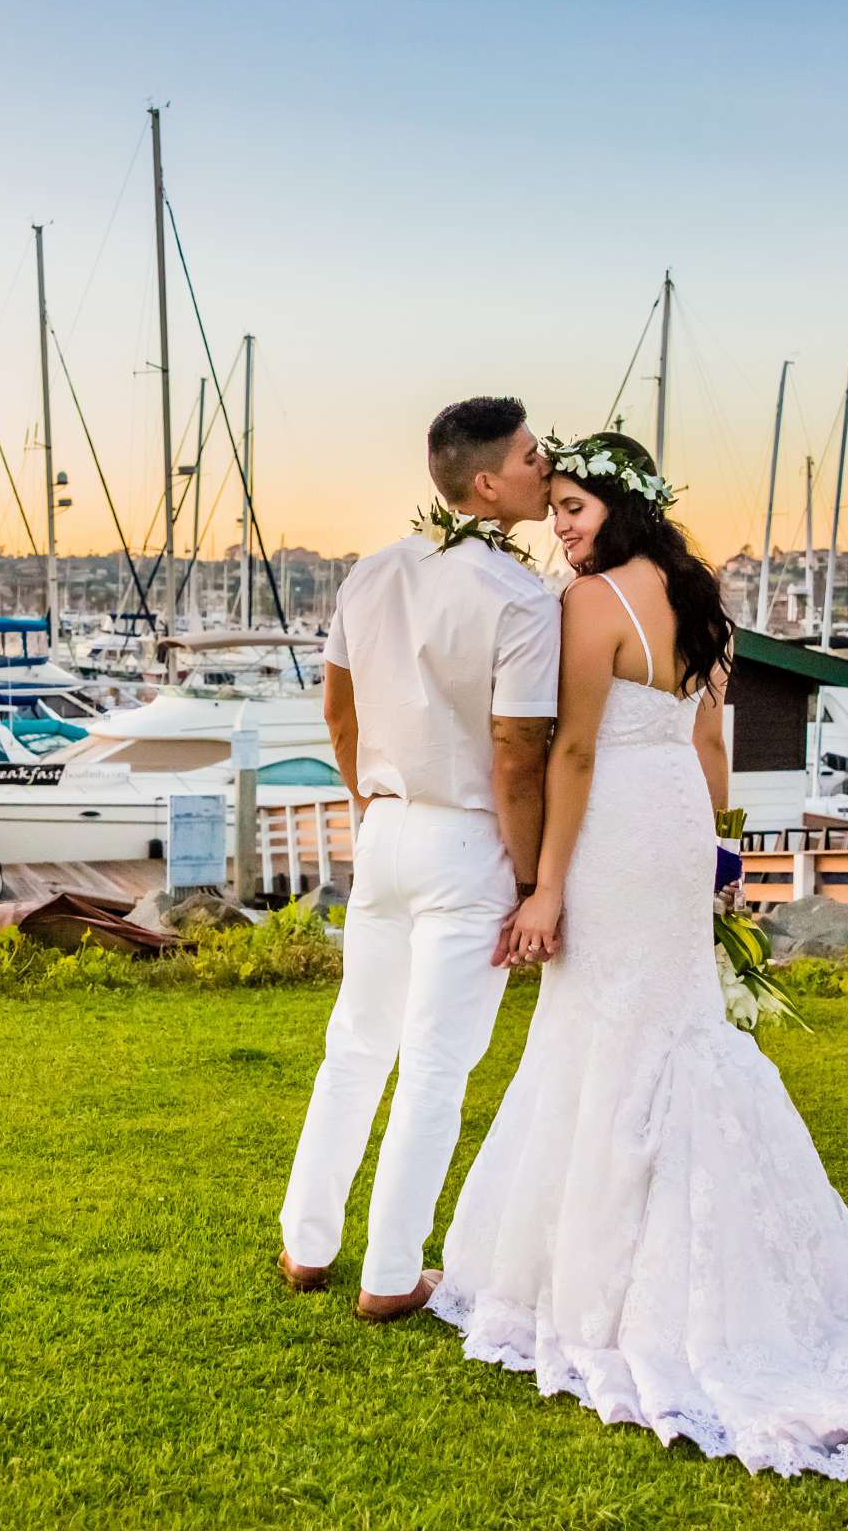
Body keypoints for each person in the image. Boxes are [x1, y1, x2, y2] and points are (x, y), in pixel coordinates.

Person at [430, 432, 848, 1477]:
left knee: (604, 1030)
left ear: (623, 504)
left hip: (609, 830)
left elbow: (577, 748)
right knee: (668, 1026)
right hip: (679, 829)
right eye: (552, 507)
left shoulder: (587, 606)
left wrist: (545, 884)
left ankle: (593, 1283)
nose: (559, 524)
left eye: (574, 505)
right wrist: (720, 850)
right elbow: (707, 747)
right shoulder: (702, 606)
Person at [275, 396, 560, 1322]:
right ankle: (391, 1274)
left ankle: (306, 1245)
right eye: (527, 455)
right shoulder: (520, 599)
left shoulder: (370, 574)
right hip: (469, 838)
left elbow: (337, 715)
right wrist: (527, 880)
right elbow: (518, 750)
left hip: (387, 831)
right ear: (485, 484)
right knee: (436, 1064)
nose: (543, 462)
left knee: (354, 1047)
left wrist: (369, 806)